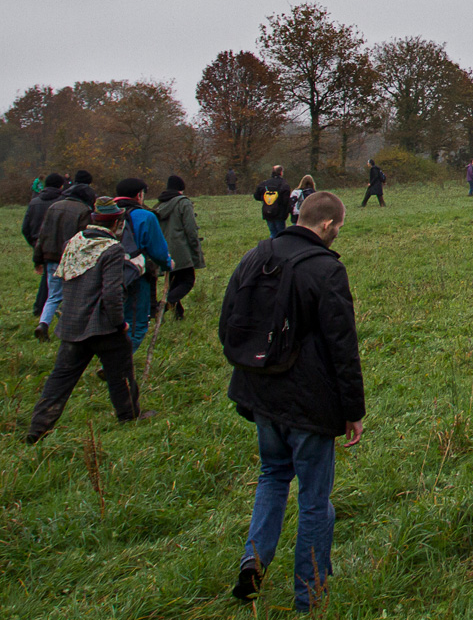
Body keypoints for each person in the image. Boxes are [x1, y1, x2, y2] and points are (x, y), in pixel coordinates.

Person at [224, 192, 365, 613]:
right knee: (314, 499)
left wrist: (253, 365)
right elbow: (343, 346)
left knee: (271, 476)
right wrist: (352, 409)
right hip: (309, 401)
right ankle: (311, 592)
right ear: (325, 225)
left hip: (260, 393)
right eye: (337, 227)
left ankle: (255, 557)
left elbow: (229, 319)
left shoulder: (255, 255)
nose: (337, 233)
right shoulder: (326, 269)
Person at [24, 196, 150, 441]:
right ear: (116, 223)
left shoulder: (72, 243)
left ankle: (38, 427)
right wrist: (119, 323)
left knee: (60, 379)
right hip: (104, 326)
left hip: (72, 324)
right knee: (121, 374)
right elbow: (112, 293)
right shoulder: (112, 249)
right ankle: (128, 415)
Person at [32, 171, 95, 341]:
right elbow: (84, 238)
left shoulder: (54, 207)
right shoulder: (84, 211)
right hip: (71, 259)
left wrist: (38, 259)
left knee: (53, 295)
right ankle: (68, 330)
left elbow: (42, 234)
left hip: (50, 257)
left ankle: (43, 323)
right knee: (72, 295)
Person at [113, 178, 172, 351]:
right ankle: (117, 364)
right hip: (135, 277)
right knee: (137, 325)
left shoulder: (105, 214)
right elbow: (159, 251)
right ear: (139, 195)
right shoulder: (146, 216)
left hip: (105, 275)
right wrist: (168, 264)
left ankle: (110, 360)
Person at [155, 175, 204, 320]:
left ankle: (178, 314)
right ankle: (162, 307)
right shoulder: (184, 203)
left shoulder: (159, 205)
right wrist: (195, 249)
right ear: (181, 189)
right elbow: (190, 229)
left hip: (164, 250)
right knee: (188, 281)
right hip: (181, 250)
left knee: (174, 283)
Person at [22, 172, 64, 321]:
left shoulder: (34, 202)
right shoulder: (62, 201)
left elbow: (25, 227)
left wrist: (34, 243)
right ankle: (49, 308)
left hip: (38, 242)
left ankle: (40, 308)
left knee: (48, 276)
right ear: (61, 185)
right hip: (57, 244)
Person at [254, 166, 291, 240]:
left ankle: (272, 247)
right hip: (280, 213)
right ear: (281, 172)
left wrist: (266, 199)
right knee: (281, 234)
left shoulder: (264, 183)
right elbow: (285, 201)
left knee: (273, 233)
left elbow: (256, 196)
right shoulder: (284, 184)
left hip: (267, 211)